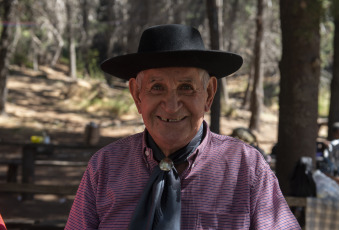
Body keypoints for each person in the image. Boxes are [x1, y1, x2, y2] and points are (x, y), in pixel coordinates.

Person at [65, 24, 300, 229]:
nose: (171, 105)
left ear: (209, 94)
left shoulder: (247, 169)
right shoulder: (104, 168)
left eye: (186, 87)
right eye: (157, 87)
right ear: (137, 95)